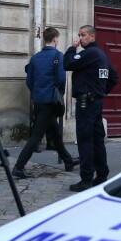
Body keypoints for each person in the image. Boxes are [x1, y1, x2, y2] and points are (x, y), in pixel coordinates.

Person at [12, 27, 79, 178]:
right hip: (51, 102)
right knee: (36, 137)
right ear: (55, 39)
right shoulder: (58, 56)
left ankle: (68, 161)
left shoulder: (35, 58)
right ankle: (19, 166)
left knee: (55, 133)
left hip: (39, 101)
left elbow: (29, 81)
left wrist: (37, 94)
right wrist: (59, 94)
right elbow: (62, 80)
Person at [64, 24, 119, 192]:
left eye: (83, 35)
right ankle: (102, 175)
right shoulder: (101, 54)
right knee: (97, 139)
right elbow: (113, 78)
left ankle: (86, 178)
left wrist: (72, 49)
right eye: (79, 35)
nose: (80, 38)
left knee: (85, 140)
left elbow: (67, 64)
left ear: (92, 37)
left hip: (86, 103)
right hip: (95, 102)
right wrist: (101, 92)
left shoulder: (89, 54)